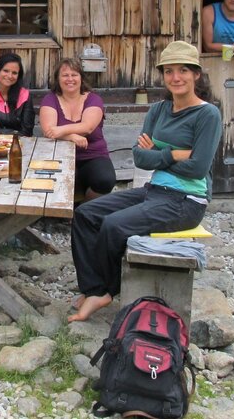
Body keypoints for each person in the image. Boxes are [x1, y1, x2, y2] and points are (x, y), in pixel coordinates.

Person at [68, 41, 222, 322]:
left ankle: (106, 291)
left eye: (183, 70)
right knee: (85, 214)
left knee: (113, 226)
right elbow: (139, 157)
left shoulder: (207, 114)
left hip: (186, 201)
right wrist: (174, 153)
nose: (176, 77)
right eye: (169, 71)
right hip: (155, 191)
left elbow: (198, 168)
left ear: (196, 74)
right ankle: (94, 288)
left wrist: (157, 153)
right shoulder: (159, 110)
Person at [39, 58, 116, 201]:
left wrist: (61, 131)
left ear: (81, 78)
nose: (70, 79)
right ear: (58, 79)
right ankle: (59, 211)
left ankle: (85, 209)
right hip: (59, 155)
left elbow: (87, 127)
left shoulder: (93, 99)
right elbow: (49, 131)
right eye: (65, 75)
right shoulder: (50, 99)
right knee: (53, 181)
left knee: (105, 180)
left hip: (92, 154)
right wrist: (72, 137)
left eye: (74, 75)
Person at [0, 52, 35, 136]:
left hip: (19, 142)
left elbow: (27, 131)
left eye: (14, 73)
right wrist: (13, 132)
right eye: (6, 71)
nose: (10, 76)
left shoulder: (25, 96)